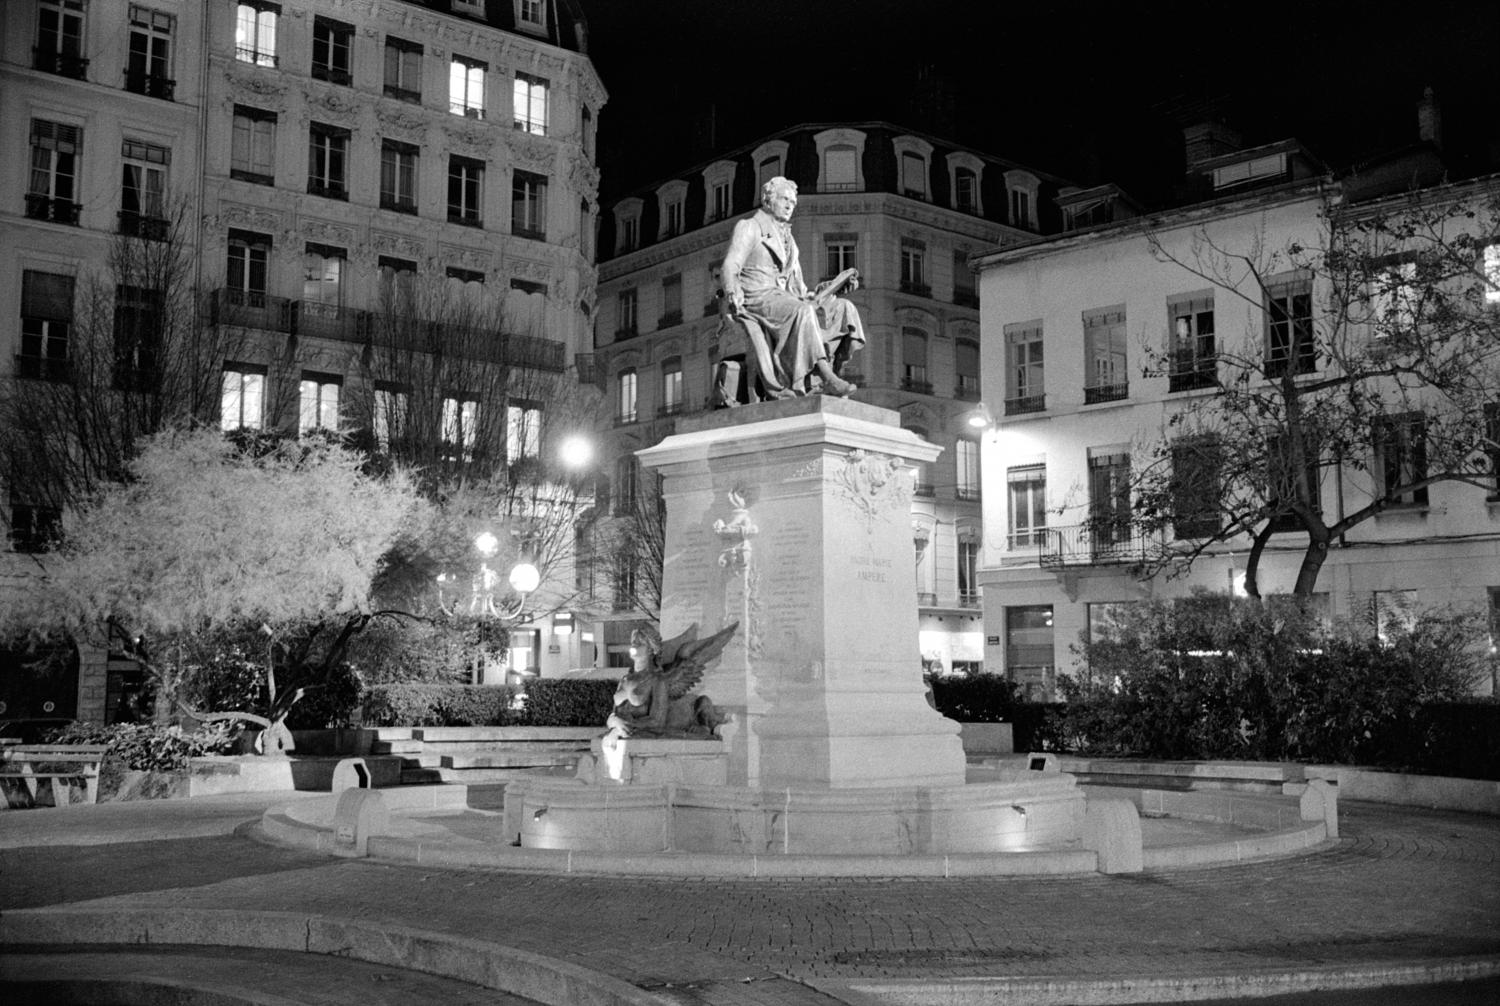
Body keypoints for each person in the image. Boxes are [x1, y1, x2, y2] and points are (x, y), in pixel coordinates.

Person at [720, 176, 864, 398]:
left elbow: (800, 289)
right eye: (785, 199)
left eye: (793, 202)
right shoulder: (750, 226)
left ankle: (833, 371)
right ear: (768, 200)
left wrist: (832, 289)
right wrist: (732, 291)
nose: (790, 205)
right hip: (756, 296)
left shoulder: (790, 241)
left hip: (784, 299)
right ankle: (826, 377)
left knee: (844, 308)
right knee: (802, 311)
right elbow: (730, 264)